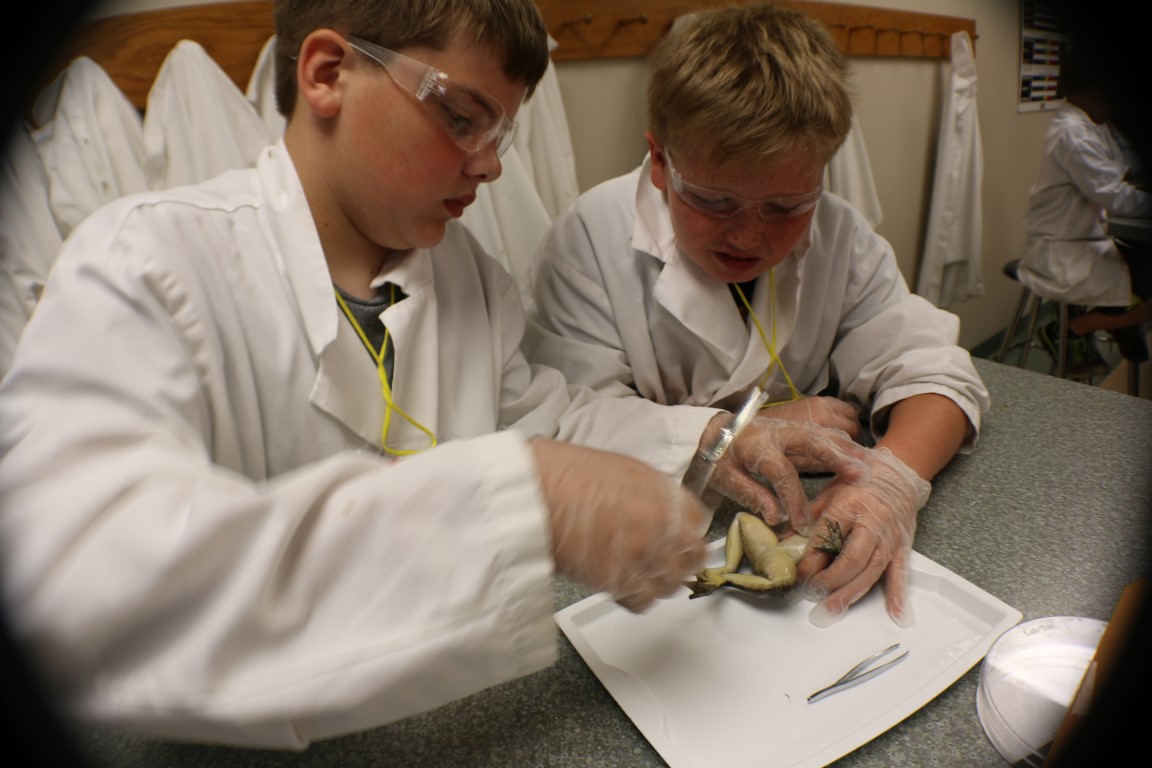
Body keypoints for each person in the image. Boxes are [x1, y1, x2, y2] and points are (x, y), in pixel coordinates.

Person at [0, 0, 720, 750]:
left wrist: (711, 440)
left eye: (501, 131)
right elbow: (89, 585)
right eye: (462, 116)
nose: (491, 164)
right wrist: (528, 494)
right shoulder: (144, 263)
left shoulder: (468, 275)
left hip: (445, 729)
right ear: (327, 74)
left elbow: (544, 420)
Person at [527, 3, 989, 630]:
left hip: (804, 516)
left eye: (786, 206)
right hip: (652, 560)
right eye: (713, 201)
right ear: (660, 161)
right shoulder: (589, 237)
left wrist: (893, 480)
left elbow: (934, 367)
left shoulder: (841, 234)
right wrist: (728, 432)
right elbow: (565, 420)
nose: (748, 236)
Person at [1017, 44, 1152, 376]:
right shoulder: (1073, 134)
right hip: (1063, 248)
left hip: (1086, 238)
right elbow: (1117, 197)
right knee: (1145, 275)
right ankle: (1083, 326)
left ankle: (1114, 318)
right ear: (1097, 90)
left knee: (1141, 263)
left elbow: (1118, 168)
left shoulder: (1090, 123)